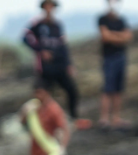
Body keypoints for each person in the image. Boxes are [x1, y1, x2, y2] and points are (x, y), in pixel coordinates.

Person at [23, 0, 91, 130]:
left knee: (72, 91)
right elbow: (25, 38)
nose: (49, 8)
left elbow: (63, 46)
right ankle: (37, 122)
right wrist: (40, 50)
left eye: (51, 6)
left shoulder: (57, 25)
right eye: (47, 6)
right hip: (45, 68)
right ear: (43, 8)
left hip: (59, 66)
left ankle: (73, 118)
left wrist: (68, 64)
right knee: (42, 94)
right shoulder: (37, 24)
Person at [98, 0, 133, 129]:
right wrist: (120, 37)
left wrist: (112, 35)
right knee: (108, 88)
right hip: (109, 58)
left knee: (118, 89)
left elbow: (128, 36)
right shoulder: (102, 19)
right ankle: (104, 119)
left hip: (121, 57)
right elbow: (105, 36)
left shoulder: (121, 20)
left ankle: (116, 118)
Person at [20, 79, 70, 155]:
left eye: (40, 92)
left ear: (47, 92)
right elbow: (23, 123)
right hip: (35, 154)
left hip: (48, 154)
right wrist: (25, 113)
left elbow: (65, 129)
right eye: (35, 93)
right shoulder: (33, 107)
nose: (37, 96)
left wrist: (62, 149)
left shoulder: (54, 110)